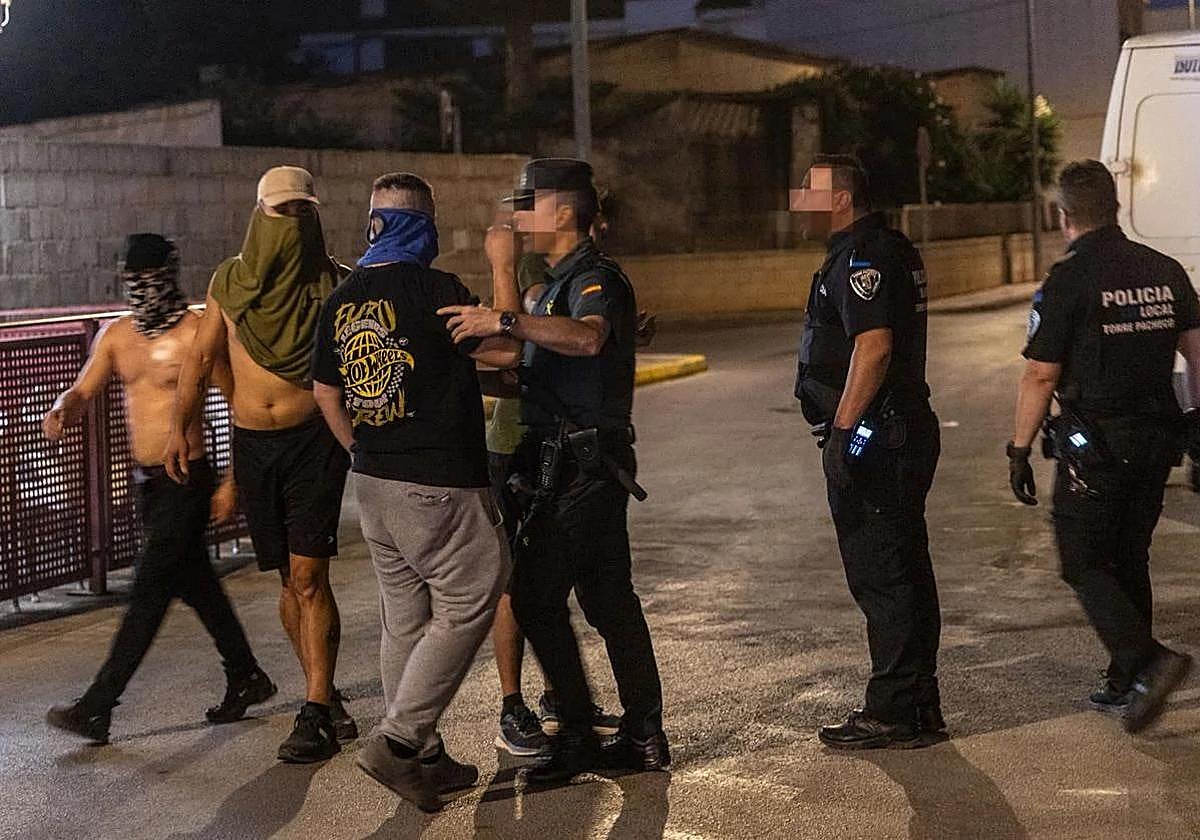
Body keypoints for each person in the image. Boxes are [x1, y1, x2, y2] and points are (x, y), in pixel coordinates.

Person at [441, 158, 669, 783]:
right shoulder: (554, 284)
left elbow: (590, 338)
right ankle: (642, 735)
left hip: (586, 465)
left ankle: (577, 737)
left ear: (564, 213)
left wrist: (503, 319)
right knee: (607, 600)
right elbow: (531, 373)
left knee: (538, 598)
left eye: (529, 205)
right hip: (563, 461)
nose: (518, 218)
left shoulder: (594, 278)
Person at [311, 172, 521, 811]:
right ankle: (399, 742)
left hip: (372, 479)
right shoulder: (439, 292)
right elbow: (506, 350)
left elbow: (323, 388)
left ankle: (424, 756)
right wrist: (503, 268)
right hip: (437, 480)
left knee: (405, 614)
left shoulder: (342, 298)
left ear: (374, 224)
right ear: (422, 227)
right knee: (477, 587)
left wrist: (358, 449)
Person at [43, 234, 274, 745]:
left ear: (168, 277)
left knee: (147, 591)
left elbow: (238, 405)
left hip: (187, 477)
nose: (143, 290)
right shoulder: (117, 336)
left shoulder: (197, 331)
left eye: (150, 280)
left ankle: (98, 705)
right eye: (134, 281)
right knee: (196, 583)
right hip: (147, 483)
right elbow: (83, 388)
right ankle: (246, 675)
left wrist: (233, 479)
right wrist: (62, 408)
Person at [165, 166, 356, 763]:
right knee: (285, 581)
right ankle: (320, 694)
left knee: (308, 577)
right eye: (281, 212)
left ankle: (317, 710)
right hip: (253, 445)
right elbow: (198, 362)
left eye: (303, 212)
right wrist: (180, 428)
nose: (293, 223)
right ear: (259, 215)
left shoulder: (335, 283)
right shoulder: (229, 284)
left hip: (313, 442)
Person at [1007, 160, 1197, 733]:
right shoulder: (1164, 270)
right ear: (1115, 206)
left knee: (1085, 559)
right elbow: (1197, 349)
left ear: (1062, 216)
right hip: (1157, 439)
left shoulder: (1067, 280)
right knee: (1128, 554)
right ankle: (1125, 680)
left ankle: (1148, 662)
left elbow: (1041, 375)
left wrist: (1018, 449)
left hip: (1098, 449)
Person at [792, 154, 944, 750]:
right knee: (903, 568)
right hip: (895, 430)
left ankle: (893, 710)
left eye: (808, 189)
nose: (797, 197)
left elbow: (874, 347)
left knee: (883, 574)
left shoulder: (865, 257)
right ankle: (916, 703)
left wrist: (842, 431)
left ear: (839, 199)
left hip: (878, 435)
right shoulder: (881, 248)